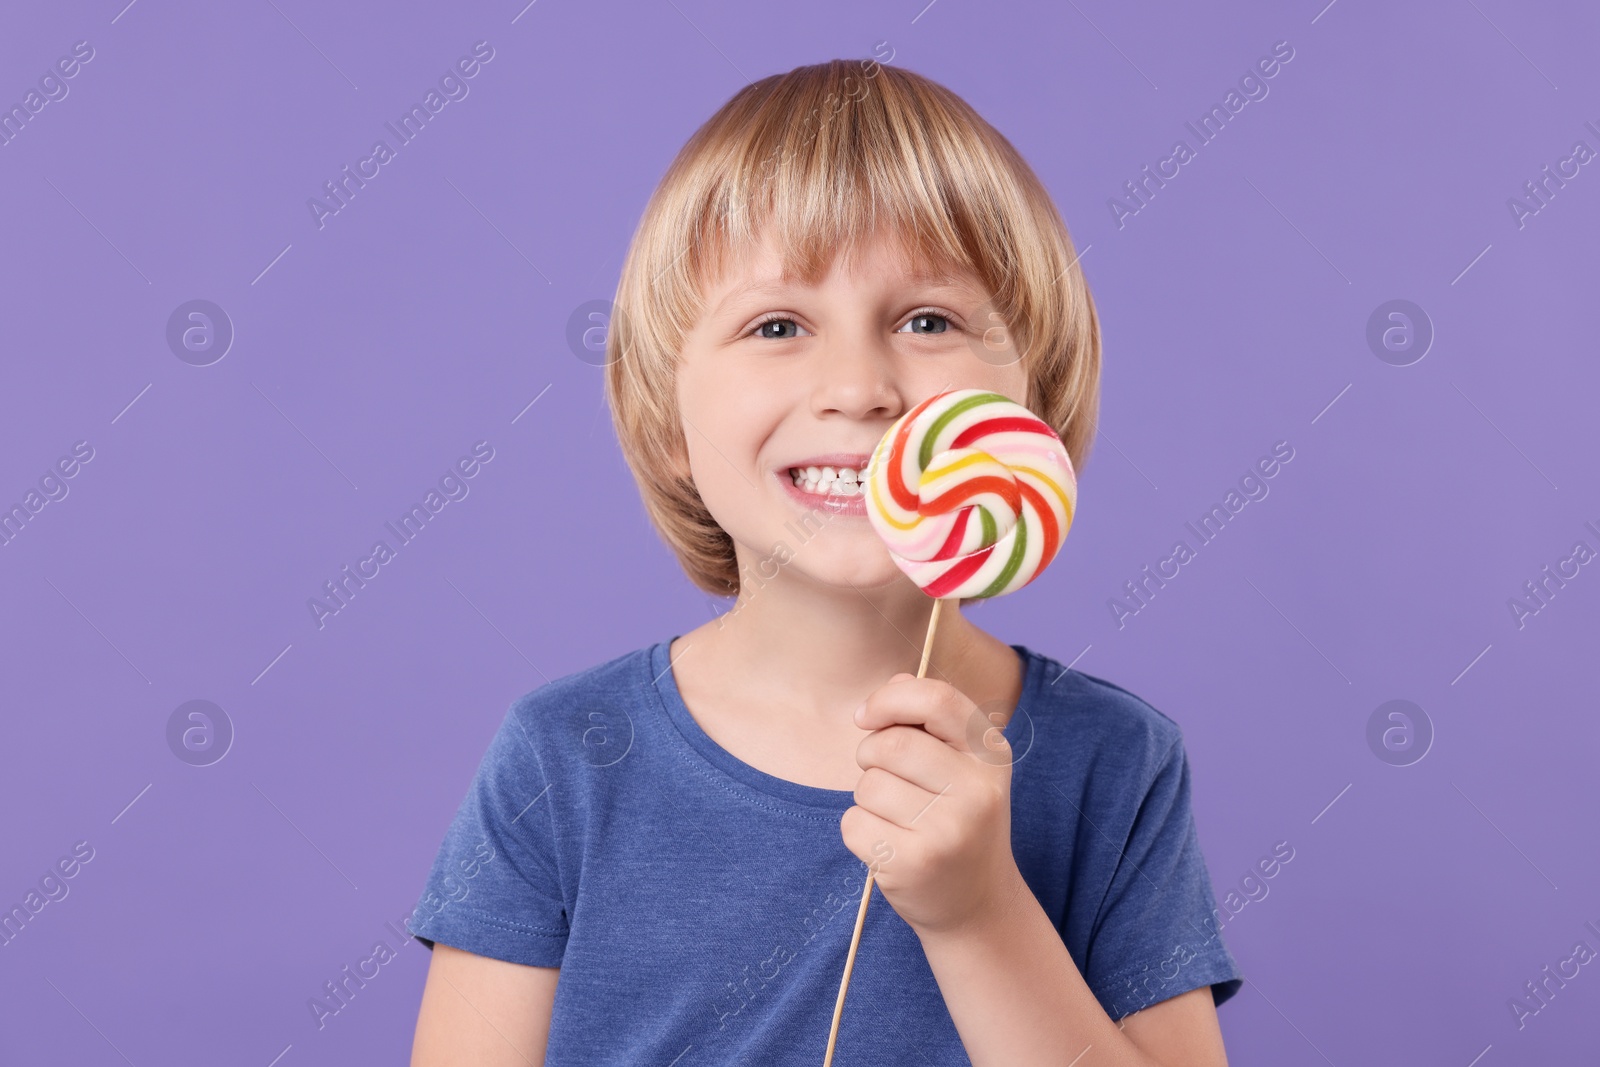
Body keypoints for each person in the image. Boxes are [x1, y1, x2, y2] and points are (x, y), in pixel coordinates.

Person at [408, 58, 1242, 1066]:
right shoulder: (565, 757)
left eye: (926, 319)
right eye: (776, 325)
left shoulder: (1114, 761)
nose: (857, 386)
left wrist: (978, 912)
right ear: (666, 414)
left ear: (1035, 406)